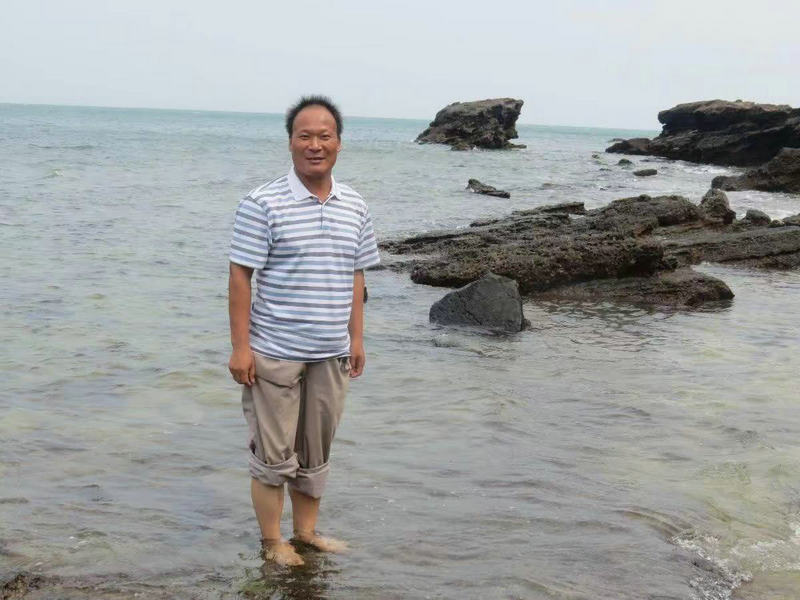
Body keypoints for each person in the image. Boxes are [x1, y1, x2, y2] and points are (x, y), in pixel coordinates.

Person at [227, 96, 380, 566]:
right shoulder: (262, 203)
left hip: (331, 352)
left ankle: (306, 533)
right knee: (273, 455)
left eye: (324, 136)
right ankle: (273, 542)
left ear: (339, 143)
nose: (315, 145)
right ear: (290, 142)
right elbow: (240, 276)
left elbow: (356, 275)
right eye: (305, 136)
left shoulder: (354, 204)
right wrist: (240, 348)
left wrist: (356, 338)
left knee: (316, 451)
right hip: (274, 351)